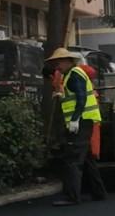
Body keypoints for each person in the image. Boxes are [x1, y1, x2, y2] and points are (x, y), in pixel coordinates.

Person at [46, 48, 107, 207]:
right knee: (87, 159)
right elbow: (74, 97)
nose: (57, 66)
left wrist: (74, 119)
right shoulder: (70, 75)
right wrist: (61, 95)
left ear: (68, 61)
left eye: (59, 62)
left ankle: (72, 196)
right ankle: (98, 192)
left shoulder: (74, 75)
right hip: (85, 120)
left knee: (73, 159)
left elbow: (81, 98)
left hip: (81, 121)